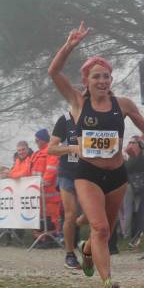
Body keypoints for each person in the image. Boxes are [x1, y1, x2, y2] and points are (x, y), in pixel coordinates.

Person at [48, 21, 144, 288]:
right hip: (87, 174)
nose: (102, 81)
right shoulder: (78, 103)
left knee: (107, 228)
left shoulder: (124, 105)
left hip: (117, 174)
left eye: (106, 76)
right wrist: (68, 46)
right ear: (86, 81)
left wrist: (138, 142)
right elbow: (54, 72)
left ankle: (87, 249)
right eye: (96, 77)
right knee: (101, 228)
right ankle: (108, 283)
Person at [48, 112, 82, 269]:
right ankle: (70, 254)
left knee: (94, 213)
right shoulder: (65, 120)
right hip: (67, 173)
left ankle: (84, 242)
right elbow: (51, 148)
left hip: (89, 173)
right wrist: (70, 148)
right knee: (70, 214)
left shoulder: (95, 117)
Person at [120, 136, 144, 246]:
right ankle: (137, 233)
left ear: (140, 145)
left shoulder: (139, 157)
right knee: (136, 210)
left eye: (133, 142)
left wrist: (124, 155)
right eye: (130, 142)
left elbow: (127, 168)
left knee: (128, 210)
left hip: (131, 185)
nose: (130, 144)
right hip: (139, 185)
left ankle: (126, 234)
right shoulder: (143, 156)